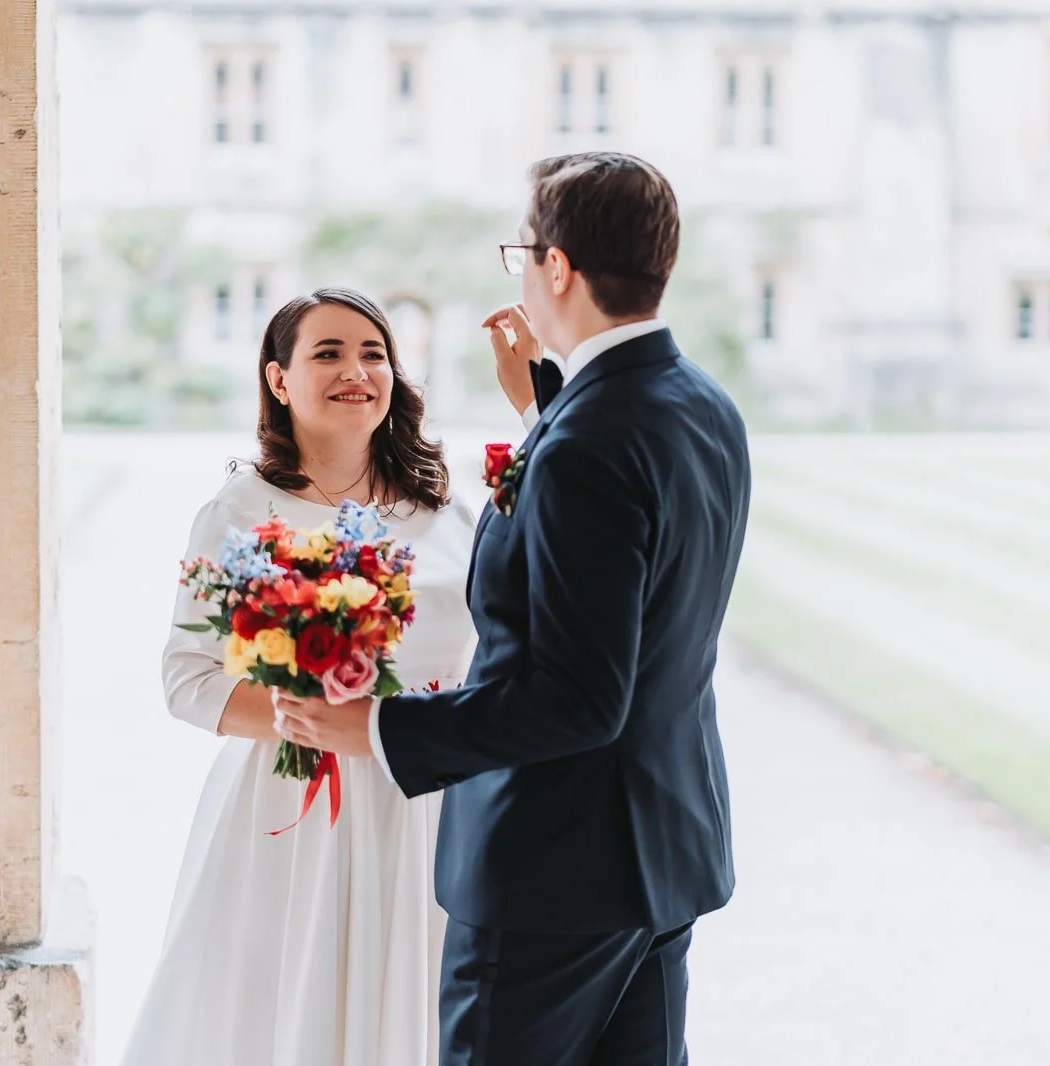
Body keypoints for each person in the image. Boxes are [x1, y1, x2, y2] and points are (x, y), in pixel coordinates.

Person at [277, 152, 753, 1066]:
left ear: (560, 268)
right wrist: (546, 404)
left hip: (553, 873)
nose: (524, 272)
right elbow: (628, 550)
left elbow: (575, 696)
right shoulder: (700, 405)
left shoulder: (587, 441)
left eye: (523, 253)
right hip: (660, 850)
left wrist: (375, 730)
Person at [122, 287, 479, 1066]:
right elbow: (187, 678)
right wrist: (308, 719)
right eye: (328, 353)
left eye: (373, 354)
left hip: (430, 802)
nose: (357, 371)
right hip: (296, 805)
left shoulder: (447, 509)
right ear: (279, 381)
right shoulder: (240, 512)